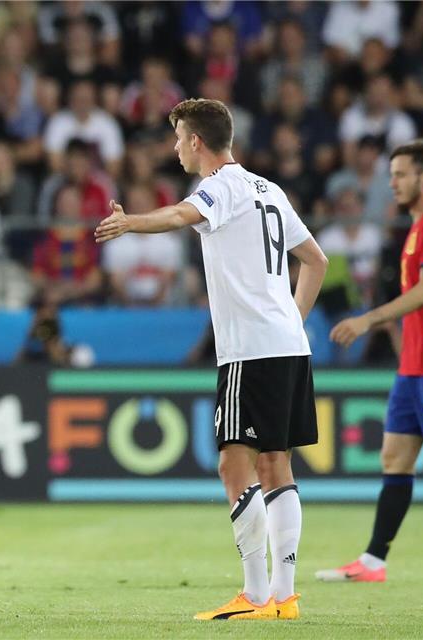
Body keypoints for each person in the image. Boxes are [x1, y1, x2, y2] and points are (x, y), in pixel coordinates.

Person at [95, 98, 329, 621]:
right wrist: (292, 319)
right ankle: (284, 596)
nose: (176, 147)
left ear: (197, 141)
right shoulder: (268, 189)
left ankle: (255, 594)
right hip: (288, 344)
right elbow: (316, 260)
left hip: (250, 350)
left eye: (179, 137)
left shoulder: (219, 187)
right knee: (276, 463)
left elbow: (182, 214)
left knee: (233, 464)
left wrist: (131, 223)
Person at [318, 140, 423, 583]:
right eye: (391, 175)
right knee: (394, 457)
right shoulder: (418, 226)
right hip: (415, 366)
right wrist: (399, 338)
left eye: (401, 174)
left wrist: (369, 319)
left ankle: (373, 561)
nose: (392, 183)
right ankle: (373, 562)